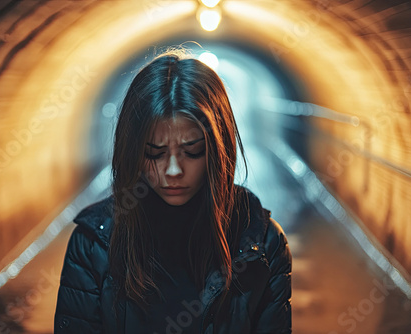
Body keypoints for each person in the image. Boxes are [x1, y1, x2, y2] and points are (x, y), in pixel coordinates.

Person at [54, 49, 292, 334]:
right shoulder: (95, 244)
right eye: (155, 153)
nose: (173, 170)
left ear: (217, 151)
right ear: (132, 153)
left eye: (192, 151)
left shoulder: (262, 244)